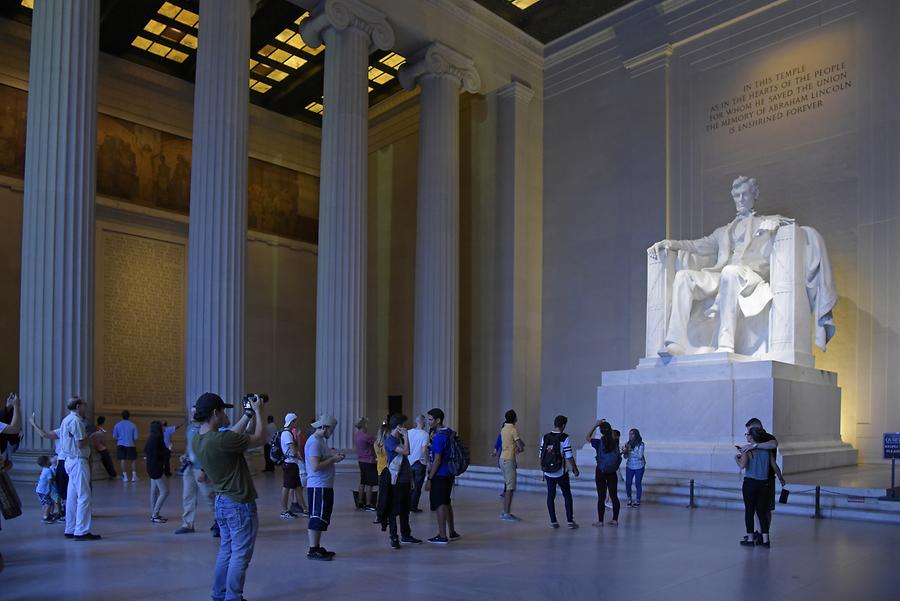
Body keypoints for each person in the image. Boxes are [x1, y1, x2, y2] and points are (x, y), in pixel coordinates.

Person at [649, 176, 807, 356]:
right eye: (736, 195)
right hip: (723, 275)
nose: (740, 200)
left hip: (750, 276)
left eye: (745, 195)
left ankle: (725, 344)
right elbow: (695, 245)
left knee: (730, 273)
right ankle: (675, 343)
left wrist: (778, 225)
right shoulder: (722, 232)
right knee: (684, 277)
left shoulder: (767, 222)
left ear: (754, 195)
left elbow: (792, 226)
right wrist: (670, 243)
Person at [191, 392, 266, 601]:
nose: (226, 415)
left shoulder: (198, 439)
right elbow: (260, 438)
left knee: (226, 551)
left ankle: (219, 594)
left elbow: (229, 435)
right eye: (223, 411)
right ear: (216, 413)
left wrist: (248, 415)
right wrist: (259, 411)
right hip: (239, 503)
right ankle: (233, 597)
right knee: (240, 555)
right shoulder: (223, 439)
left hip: (222, 502)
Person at [304, 414, 345, 561]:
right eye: (332, 429)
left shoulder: (320, 440)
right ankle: (312, 549)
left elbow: (321, 459)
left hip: (324, 485)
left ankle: (316, 546)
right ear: (324, 427)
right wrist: (333, 459)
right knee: (316, 516)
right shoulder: (314, 442)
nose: (332, 432)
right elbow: (315, 466)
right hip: (318, 486)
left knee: (321, 517)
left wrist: (332, 455)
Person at [60, 397, 101, 540]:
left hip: (70, 461)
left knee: (72, 497)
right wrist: (94, 436)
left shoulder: (66, 420)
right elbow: (80, 443)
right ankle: (82, 531)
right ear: (78, 406)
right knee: (84, 496)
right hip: (78, 461)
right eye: (84, 405)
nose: (86, 408)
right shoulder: (76, 421)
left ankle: (70, 528)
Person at [739, 418, 785, 543]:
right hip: (763, 480)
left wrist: (753, 447)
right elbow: (774, 463)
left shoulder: (767, 438)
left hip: (766, 478)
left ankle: (760, 533)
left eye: (749, 431)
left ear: (756, 429)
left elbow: (774, 445)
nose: (748, 434)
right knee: (759, 510)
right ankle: (762, 535)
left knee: (764, 509)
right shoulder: (753, 447)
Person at [175, 406, 218, 536]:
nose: (193, 415)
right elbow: (189, 446)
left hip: (201, 468)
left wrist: (204, 470)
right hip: (189, 467)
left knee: (210, 496)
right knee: (188, 497)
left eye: (195, 412)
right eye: (191, 413)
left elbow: (209, 451)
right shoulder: (190, 428)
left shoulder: (205, 428)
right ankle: (187, 524)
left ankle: (219, 523)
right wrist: (185, 455)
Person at [383, 414, 422, 548]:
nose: (406, 427)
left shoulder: (398, 439)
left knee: (405, 510)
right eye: (404, 425)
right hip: (396, 481)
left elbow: (405, 460)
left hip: (405, 479)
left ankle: (406, 535)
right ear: (398, 427)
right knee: (394, 510)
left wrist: (411, 479)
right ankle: (394, 537)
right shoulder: (390, 441)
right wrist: (406, 436)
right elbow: (406, 452)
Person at [425, 408, 460, 544]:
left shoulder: (439, 437)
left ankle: (442, 535)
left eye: (430, 419)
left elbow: (437, 459)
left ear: (438, 420)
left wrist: (430, 478)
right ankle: (452, 531)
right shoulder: (449, 433)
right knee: (446, 502)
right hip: (449, 473)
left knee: (440, 504)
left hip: (440, 474)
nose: (429, 422)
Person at [736, 427, 776, 548]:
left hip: (750, 483)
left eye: (747, 434)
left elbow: (743, 465)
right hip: (763, 484)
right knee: (762, 512)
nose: (746, 436)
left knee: (749, 511)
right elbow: (771, 464)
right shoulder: (767, 450)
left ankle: (750, 539)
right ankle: (765, 540)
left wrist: (736, 459)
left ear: (751, 437)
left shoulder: (746, 450)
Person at [540, 415, 579, 529]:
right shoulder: (564, 437)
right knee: (567, 495)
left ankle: (553, 521)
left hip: (548, 472)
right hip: (561, 472)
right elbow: (569, 456)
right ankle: (570, 521)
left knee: (550, 496)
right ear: (563, 425)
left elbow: (541, 455)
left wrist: (543, 468)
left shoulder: (545, 437)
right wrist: (575, 468)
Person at [29, 411, 68, 515]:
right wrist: (33, 423)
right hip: (64, 462)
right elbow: (44, 434)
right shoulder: (61, 431)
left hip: (70, 462)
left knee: (67, 488)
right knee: (63, 489)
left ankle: (66, 510)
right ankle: (63, 511)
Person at [588, 420, 621, 527]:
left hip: (601, 471)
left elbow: (587, 437)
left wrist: (595, 425)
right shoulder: (615, 441)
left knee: (601, 497)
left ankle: (600, 521)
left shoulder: (598, 442)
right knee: (614, 496)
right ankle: (615, 519)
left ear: (601, 431)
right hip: (612, 471)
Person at [498, 409, 525, 521]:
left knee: (507, 486)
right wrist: (521, 447)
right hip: (509, 460)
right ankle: (506, 513)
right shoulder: (513, 429)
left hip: (502, 458)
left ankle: (505, 511)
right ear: (515, 419)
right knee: (510, 488)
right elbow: (520, 445)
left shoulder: (504, 428)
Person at [144, 421, 170, 523]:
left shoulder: (151, 437)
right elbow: (162, 453)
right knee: (165, 491)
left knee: (154, 491)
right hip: (156, 468)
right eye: (163, 426)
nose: (165, 427)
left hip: (150, 467)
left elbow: (146, 450)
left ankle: (154, 514)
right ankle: (155, 514)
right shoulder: (158, 437)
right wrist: (168, 450)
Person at [280, 413, 301, 520]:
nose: (297, 423)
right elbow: (294, 450)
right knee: (287, 487)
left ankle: (302, 508)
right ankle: (284, 510)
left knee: (296, 486)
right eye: (295, 421)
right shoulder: (287, 434)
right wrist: (297, 440)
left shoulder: (286, 432)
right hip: (290, 463)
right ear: (292, 421)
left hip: (291, 463)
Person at [353, 417, 377, 511]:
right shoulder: (366, 436)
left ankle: (360, 501)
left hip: (361, 460)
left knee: (363, 481)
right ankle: (368, 503)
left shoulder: (356, 435)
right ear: (364, 425)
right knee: (370, 484)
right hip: (369, 461)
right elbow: (376, 443)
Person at [407, 414, 429, 513]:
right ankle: (413, 507)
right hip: (419, 463)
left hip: (408, 462)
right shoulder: (425, 434)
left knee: (409, 485)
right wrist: (428, 461)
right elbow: (424, 450)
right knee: (417, 486)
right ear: (423, 422)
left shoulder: (408, 432)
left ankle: (407, 505)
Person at [113, 410, 139, 482]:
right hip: (130, 444)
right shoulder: (133, 425)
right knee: (133, 460)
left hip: (120, 444)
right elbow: (136, 437)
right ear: (129, 416)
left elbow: (114, 436)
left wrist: (120, 439)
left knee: (122, 460)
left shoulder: (117, 425)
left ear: (122, 416)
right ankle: (134, 477)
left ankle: (125, 477)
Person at [622, 428, 646, 508]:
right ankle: (629, 499)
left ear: (636, 435)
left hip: (639, 466)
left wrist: (631, 450)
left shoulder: (641, 444)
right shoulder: (627, 443)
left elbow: (640, 456)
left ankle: (638, 500)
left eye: (632, 434)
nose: (630, 436)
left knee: (637, 483)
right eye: (629, 434)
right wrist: (625, 452)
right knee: (628, 483)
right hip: (630, 466)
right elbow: (625, 457)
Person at [35, 455, 58, 524]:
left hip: (41, 491)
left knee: (50, 503)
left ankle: (49, 514)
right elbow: (50, 480)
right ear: (46, 462)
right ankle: (45, 517)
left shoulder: (45, 469)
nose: (51, 460)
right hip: (43, 491)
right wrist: (49, 489)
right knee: (47, 504)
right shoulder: (48, 470)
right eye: (49, 459)